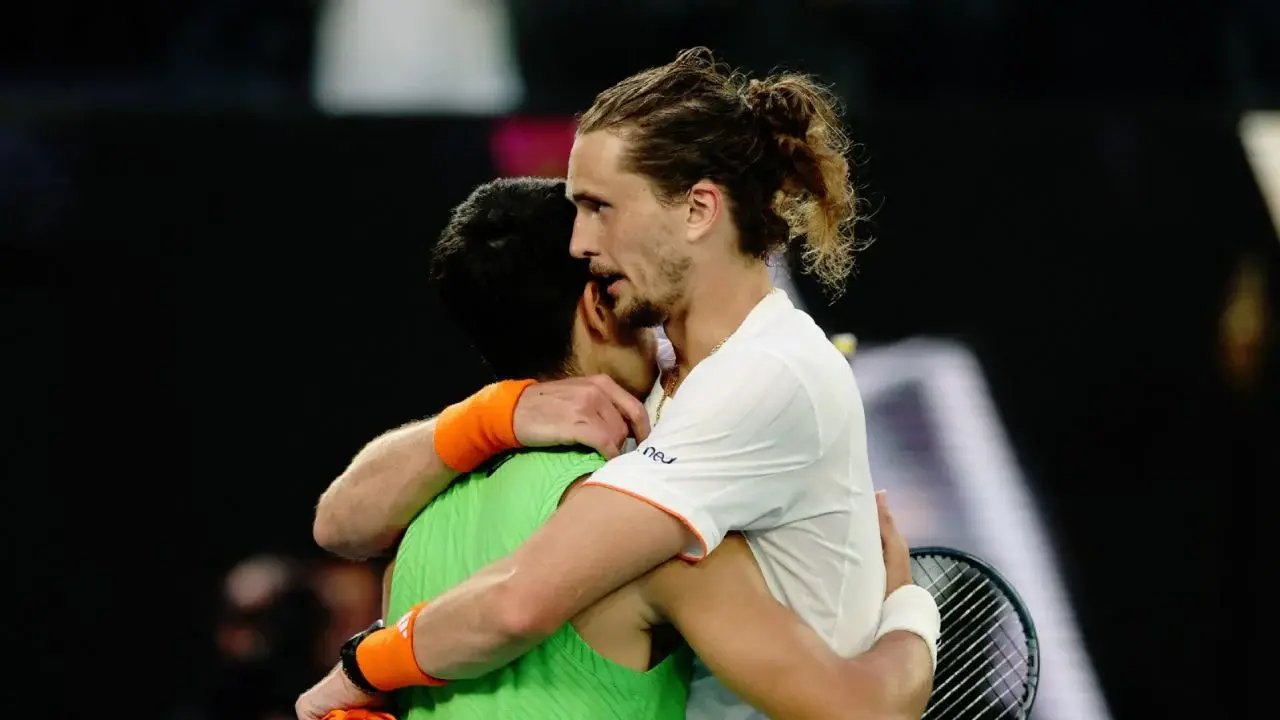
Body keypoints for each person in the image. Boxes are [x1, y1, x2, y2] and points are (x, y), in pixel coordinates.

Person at [304, 48, 940, 718]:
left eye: (599, 207)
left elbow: (518, 600)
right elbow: (342, 522)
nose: (578, 241)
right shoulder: (667, 383)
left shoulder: (765, 376)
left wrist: (911, 610)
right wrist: (499, 412)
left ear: (698, 210)